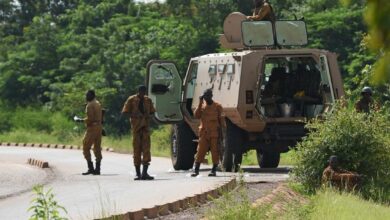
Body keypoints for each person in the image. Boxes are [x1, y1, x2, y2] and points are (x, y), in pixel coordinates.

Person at [122, 85, 156, 180]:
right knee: (136, 151)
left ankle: (145, 173)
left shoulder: (148, 100)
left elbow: (152, 112)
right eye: (141, 91)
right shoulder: (131, 99)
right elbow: (125, 112)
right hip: (136, 129)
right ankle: (138, 173)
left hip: (145, 129)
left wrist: (148, 116)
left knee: (146, 151)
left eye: (144, 92)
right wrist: (134, 115)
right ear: (138, 91)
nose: (143, 93)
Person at [191, 89, 224, 177]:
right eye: (205, 96)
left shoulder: (217, 107)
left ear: (211, 96)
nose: (206, 98)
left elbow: (222, 122)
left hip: (214, 133)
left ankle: (213, 169)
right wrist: (200, 102)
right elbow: (196, 115)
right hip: (204, 133)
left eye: (208, 96)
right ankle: (196, 169)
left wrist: (222, 135)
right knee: (200, 151)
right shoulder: (202, 107)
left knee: (215, 151)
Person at [75, 90, 103, 175]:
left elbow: (90, 119)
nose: (86, 97)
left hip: (92, 128)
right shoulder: (98, 103)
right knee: (97, 147)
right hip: (99, 127)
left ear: (91, 95)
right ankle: (97, 169)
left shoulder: (89, 105)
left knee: (86, 146)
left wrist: (79, 120)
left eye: (87, 95)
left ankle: (90, 168)